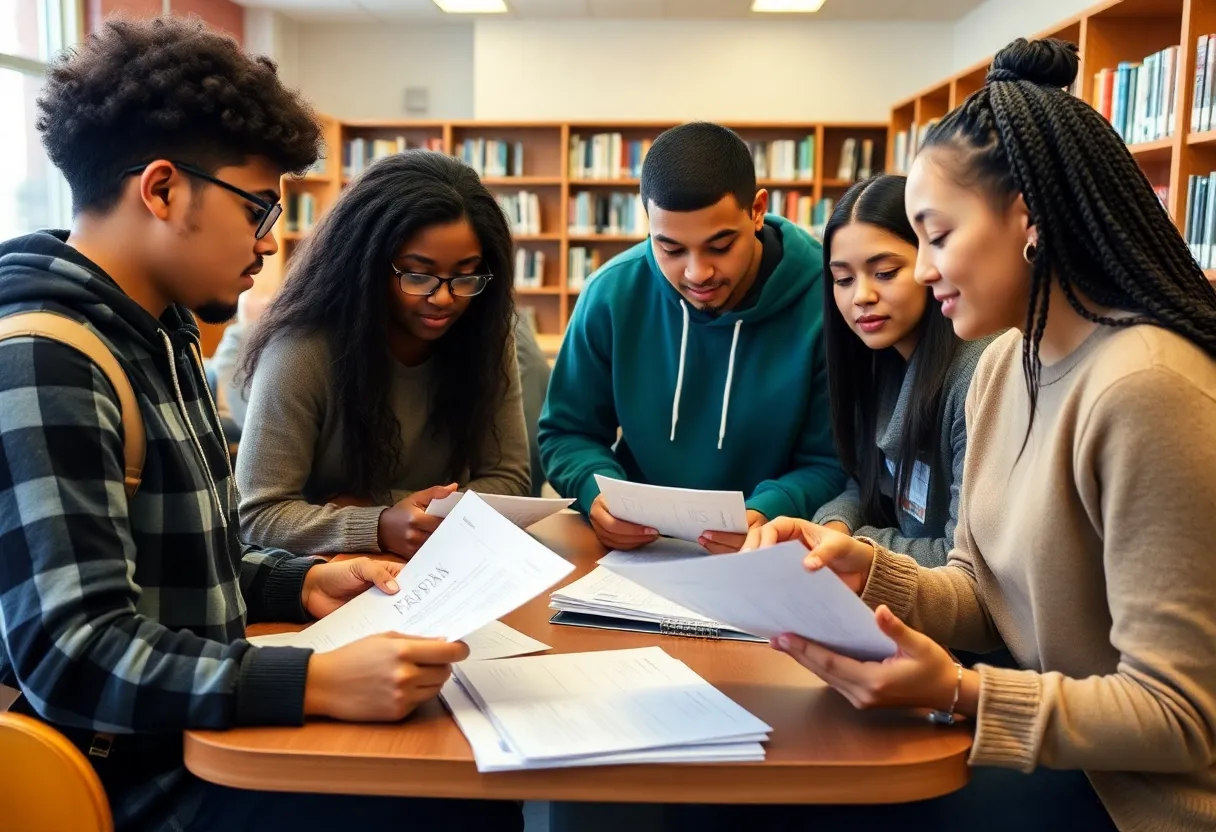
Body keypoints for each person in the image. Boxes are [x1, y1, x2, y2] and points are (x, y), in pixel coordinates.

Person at [0, 17, 520, 832]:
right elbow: (73, 652)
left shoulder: (160, 332)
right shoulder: (45, 357)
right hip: (137, 783)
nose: (267, 243)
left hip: (196, 737)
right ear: (163, 189)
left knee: (468, 778)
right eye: (257, 208)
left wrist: (297, 581)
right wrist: (313, 682)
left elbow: (181, 563)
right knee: (452, 802)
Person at [738, 37, 1216, 830]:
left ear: (1026, 216)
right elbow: (988, 597)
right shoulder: (1002, 367)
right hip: (1053, 755)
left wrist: (959, 692)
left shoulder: (1145, 390)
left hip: (1132, 798)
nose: (922, 271)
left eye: (936, 235)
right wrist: (869, 572)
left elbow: (1180, 716)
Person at [538, 122, 845, 553]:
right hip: (635, 551)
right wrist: (598, 497)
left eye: (720, 246)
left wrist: (767, 510)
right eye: (671, 248)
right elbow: (566, 433)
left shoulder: (829, 298)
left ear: (757, 210)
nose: (697, 273)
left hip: (769, 548)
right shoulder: (611, 292)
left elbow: (831, 462)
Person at [236, 150, 531, 558]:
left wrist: (381, 507)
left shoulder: (486, 335)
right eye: (417, 275)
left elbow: (509, 479)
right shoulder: (301, 349)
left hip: (444, 565)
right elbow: (257, 514)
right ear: (366, 266)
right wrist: (379, 526)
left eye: (466, 276)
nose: (444, 298)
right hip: (329, 574)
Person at [814, 173, 994, 568]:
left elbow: (962, 559)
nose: (861, 296)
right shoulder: (883, 359)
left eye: (884, 273)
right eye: (843, 279)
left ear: (932, 263)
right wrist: (836, 527)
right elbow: (865, 483)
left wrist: (855, 547)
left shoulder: (978, 372)